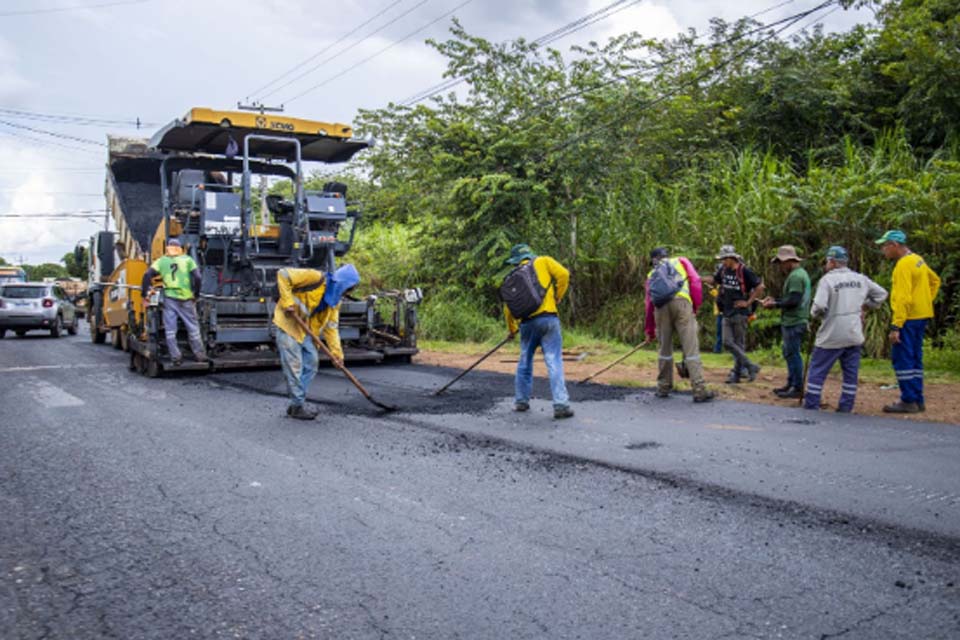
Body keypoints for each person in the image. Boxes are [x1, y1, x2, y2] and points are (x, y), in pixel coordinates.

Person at [803, 246, 887, 413]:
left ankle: (811, 404)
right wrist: (866, 305)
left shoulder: (828, 280)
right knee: (850, 372)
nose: (826, 264)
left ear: (833, 262)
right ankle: (846, 405)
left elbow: (819, 305)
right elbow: (882, 294)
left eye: (827, 261)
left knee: (818, 369)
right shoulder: (860, 279)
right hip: (854, 332)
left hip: (832, 333)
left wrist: (815, 315)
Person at [273, 264, 360, 420]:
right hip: (288, 324)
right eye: (347, 289)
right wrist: (287, 303)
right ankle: (297, 405)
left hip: (306, 331)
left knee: (311, 364)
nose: (346, 293)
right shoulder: (315, 277)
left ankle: (295, 403)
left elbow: (331, 328)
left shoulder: (334, 302)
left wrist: (337, 354)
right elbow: (283, 274)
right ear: (341, 283)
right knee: (294, 367)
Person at [502, 243, 574, 419]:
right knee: (553, 360)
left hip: (526, 324)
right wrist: (558, 297)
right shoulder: (543, 261)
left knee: (525, 360)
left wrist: (511, 329)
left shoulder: (511, 278)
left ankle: (521, 401)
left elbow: (508, 308)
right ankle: (561, 404)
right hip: (548, 319)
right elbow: (564, 274)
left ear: (515, 261)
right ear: (529, 254)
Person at [876, 230, 941, 413]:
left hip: (908, 318)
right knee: (915, 358)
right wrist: (925, 301)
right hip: (922, 315)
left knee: (902, 358)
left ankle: (908, 399)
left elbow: (903, 298)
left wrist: (896, 325)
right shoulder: (917, 259)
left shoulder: (903, 265)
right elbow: (935, 280)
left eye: (885, 246)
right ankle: (917, 398)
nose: (883, 250)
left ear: (894, 245)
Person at [643, 248, 715, 403]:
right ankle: (699, 389)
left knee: (664, 349)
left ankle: (663, 386)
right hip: (682, 303)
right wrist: (694, 305)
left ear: (654, 260)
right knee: (691, 348)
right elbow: (695, 281)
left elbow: (649, 305)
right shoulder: (681, 261)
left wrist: (649, 330)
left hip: (661, 309)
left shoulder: (651, 275)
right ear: (666, 256)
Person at [141, 237, 207, 366]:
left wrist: (146, 293)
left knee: (170, 330)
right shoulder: (188, 260)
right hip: (186, 299)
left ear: (168, 248)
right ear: (180, 248)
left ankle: (176, 357)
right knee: (193, 328)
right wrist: (196, 293)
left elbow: (147, 275)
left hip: (170, 299)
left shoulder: (161, 261)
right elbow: (198, 277)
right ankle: (200, 355)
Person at [705, 245, 765, 384]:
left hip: (740, 312)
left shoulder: (744, 271)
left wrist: (748, 302)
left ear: (732, 258)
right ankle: (750, 366)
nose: (722, 262)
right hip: (726, 311)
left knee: (739, 343)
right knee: (727, 342)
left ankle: (736, 374)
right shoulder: (723, 270)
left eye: (724, 259)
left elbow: (760, 287)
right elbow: (714, 280)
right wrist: (697, 278)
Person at [761, 245, 811, 399]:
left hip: (794, 320)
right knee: (789, 353)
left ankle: (796, 386)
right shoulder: (800, 274)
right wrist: (776, 301)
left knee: (792, 353)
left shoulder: (796, 276)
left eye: (782, 263)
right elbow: (790, 299)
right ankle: (791, 383)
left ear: (790, 261)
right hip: (795, 319)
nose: (781, 267)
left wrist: (774, 304)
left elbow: (794, 300)